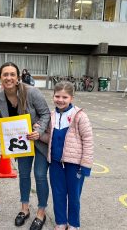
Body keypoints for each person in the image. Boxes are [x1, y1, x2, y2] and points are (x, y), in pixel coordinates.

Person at [0, 62, 50, 230]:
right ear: (0, 78)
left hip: (38, 141)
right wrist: (0, 132)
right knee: (24, 175)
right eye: (5, 75)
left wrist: (38, 131)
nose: (9, 78)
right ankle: (24, 209)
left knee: (40, 175)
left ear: (17, 78)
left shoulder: (32, 92)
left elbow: (45, 113)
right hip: (20, 145)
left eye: (12, 74)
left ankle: (41, 212)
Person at [39, 81, 94, 230]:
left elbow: (88, 140)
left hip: (74, 165)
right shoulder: (52, 116)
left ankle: (73, 224)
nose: (60, 100)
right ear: (53, 96)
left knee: (74, 196)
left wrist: (85, 166)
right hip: (56, 163)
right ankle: (61, 222)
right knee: (58, 194)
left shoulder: (79, 116)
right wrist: (38, 134)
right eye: (57, 96)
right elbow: (49, 138)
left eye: (65, 97)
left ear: (72, 98)